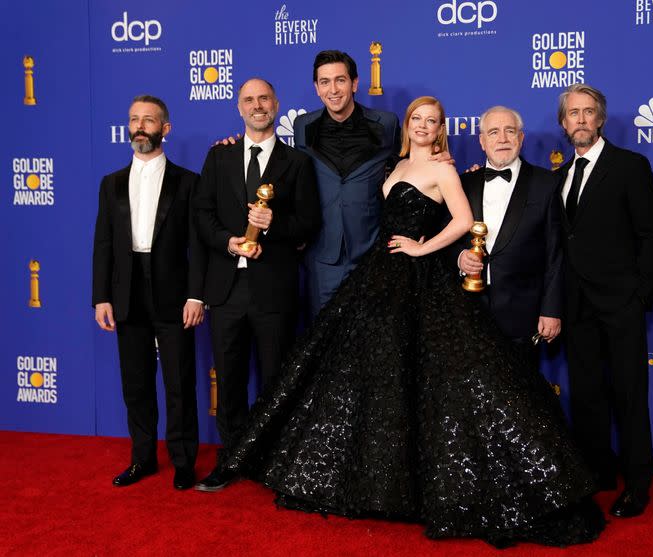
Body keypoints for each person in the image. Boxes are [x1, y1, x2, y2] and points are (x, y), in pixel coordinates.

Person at [212, 96, 605, 548]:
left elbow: (462, 220)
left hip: (421, 279)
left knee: (432, 380)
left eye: (431, 121)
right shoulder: (392, 167)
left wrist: (423, 248)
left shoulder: (443, 169)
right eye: (416, 119)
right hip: (379, 277)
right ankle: (377, 482)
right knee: (375, 378)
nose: (422, 125)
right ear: (408, 126)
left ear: (440, 128)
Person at [193, 78, 320, 491]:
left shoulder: (297, 162)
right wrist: (229, 243)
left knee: (275, 379)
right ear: (239, 108)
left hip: (273, 289)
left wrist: (276, 226)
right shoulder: (218, 157)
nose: (257, 105)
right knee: (228, 380)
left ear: (276, 104)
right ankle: (230, 459)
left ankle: (273, 461)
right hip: (227, 289)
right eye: (248, 100)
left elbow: (309, 222)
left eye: (264, 98)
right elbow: (202, 216)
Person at [556, 83, 653, 518]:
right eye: (572, 113)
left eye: (588, 112)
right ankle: (599, 472)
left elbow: (650, 236)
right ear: (563, 123)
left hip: (621, 303)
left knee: (629, 395)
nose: (580, 119)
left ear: (600, 119)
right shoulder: (560, 176)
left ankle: (638, 482)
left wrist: (640, 295)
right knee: (586, 395)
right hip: (576, 304)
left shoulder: (629, 166)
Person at [92, 95, 205, 490]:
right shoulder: (110, 184)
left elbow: (198, 244)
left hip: (174, 293)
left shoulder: (188, 182)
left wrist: (196, 295)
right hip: (126, 294)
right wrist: (101, 297)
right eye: (134, 120)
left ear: (165, 129)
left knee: (179, 382)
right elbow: (103, 243)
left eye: (149, 120)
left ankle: (183, 462)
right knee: (136, 383)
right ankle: (142, 459)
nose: (140, 126)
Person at [293, 50, 400, 317]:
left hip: (371, 250)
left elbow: (407, 169)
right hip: (323, 254)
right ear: (317, 88)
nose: (333, 89)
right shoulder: (302, 126)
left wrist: (437, 157)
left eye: (340, 80)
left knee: (369, 338)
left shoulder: (386, 123)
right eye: (325, 82)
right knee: (324, 340)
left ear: (354, 83)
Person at [455, 106, 563, 358]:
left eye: (509, 131)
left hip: (523, 313)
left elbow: (556, 253)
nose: (502, 139)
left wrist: (551, 309)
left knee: (521, 393)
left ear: (521, 138)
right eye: (493, 132)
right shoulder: (462, 183)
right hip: (468, 311)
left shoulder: (546, 183)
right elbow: (447, 238)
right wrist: (460, 257)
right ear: (482, 141)